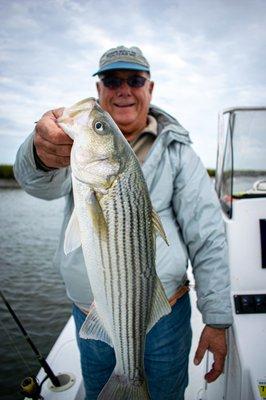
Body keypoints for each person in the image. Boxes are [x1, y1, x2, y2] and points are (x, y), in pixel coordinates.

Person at [14, 45, 233, 400]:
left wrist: (217, 317)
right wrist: (39, 154)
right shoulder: (74, 148)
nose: (123, 89)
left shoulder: (179, 152)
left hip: (167, 315)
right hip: (90, 313)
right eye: (112, 80)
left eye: (135, 80)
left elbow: (208, 236)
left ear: (150, 88)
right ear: (99, 89)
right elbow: (35, 184)